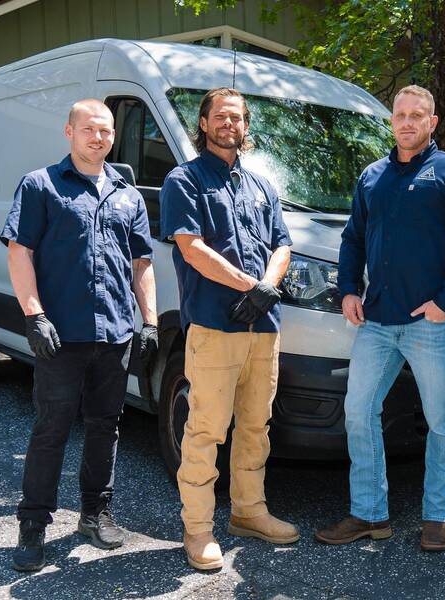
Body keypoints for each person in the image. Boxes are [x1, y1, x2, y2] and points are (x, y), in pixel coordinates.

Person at [315, 85, 445, 552]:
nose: (407, 122)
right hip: (375, 321)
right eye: (400, 115)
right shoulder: (372, 176)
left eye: (417, 115)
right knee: (358, 412)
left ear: (433, 123)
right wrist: (349, 289)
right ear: (392, 121)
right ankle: (370, 513)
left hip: (429, 323)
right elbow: (353, 238)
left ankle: (436, 517)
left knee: (440, 421)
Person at [1, 99, 159, 571]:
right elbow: (19, 251)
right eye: (89, 129)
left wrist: (148, 321)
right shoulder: (41, 185)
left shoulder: (127, 195)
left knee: (105, 427)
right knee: (50, 430)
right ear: (68, 131)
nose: (99, 138)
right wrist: (34, 315)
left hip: (113, 335)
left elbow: (141, 263)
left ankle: (95, 512)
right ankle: (33, 526)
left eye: (107, 131)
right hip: (61, 334)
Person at [159, 87, 297, 571]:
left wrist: (266, 287)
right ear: (203, 123)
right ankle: (197, 530)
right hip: (215, 326)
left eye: (237, 118)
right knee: (206, 430)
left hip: (264, 329)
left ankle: (248, 511)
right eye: (220, 116)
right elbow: (191, 248)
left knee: (256, 427)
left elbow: (282, 245)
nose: (229, 124)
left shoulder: (262, 186)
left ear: (246, 127)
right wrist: (248, 286)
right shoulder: (185, 180)